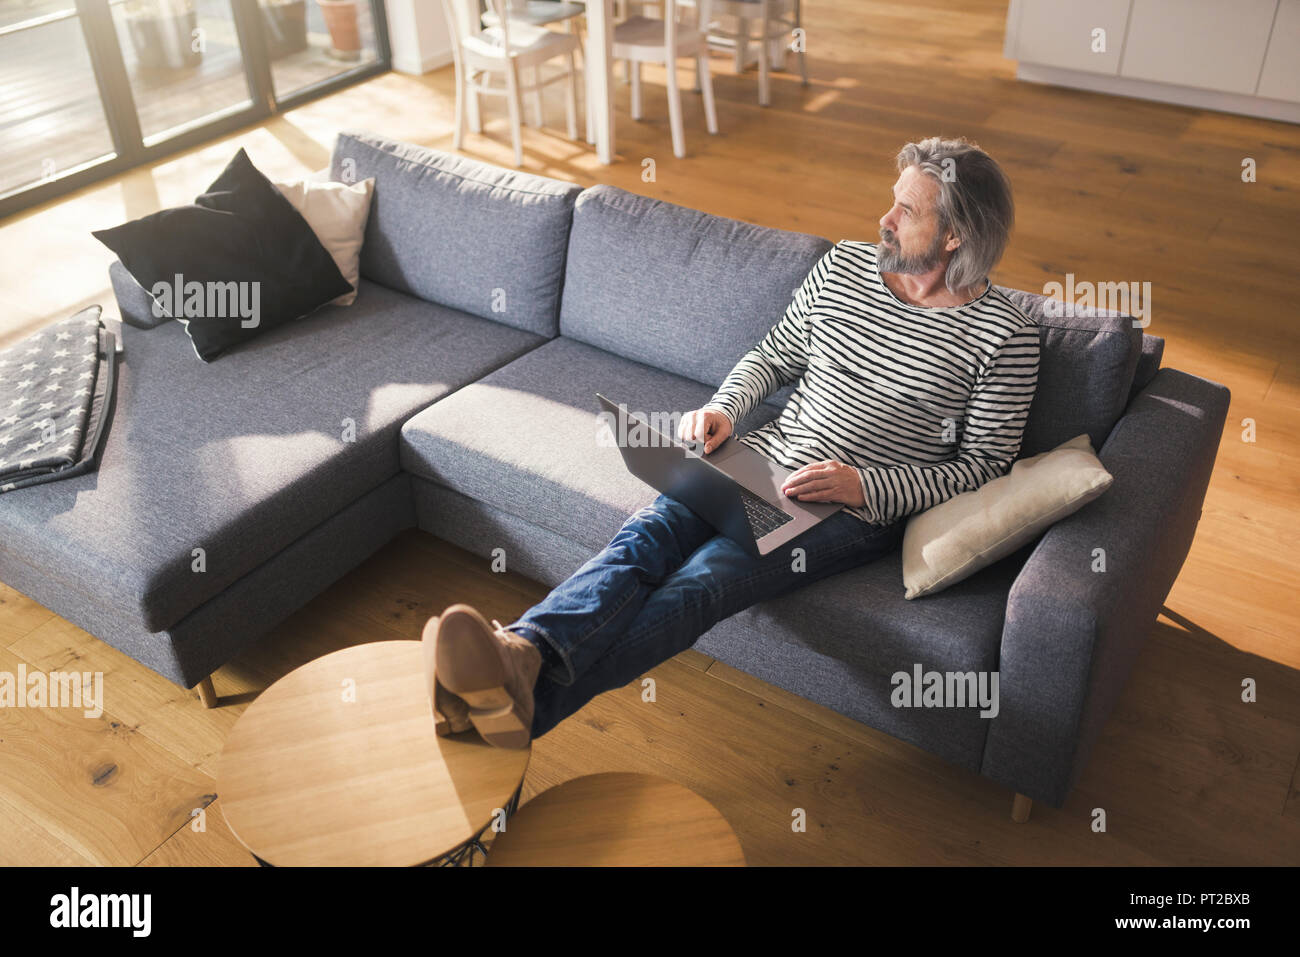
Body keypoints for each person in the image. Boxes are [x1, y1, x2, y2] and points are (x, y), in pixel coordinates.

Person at [423, 136, 1041, 749]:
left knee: (701, 583)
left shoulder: (1004, 336)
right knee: (644, 539)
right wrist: (725, 406)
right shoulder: (846, 268)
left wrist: (865, 485)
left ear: (954, 235)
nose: (884, 219)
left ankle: (508, 704)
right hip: (759, 459)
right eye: (892, 200)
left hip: (850, 510)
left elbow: (985, 466)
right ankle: (521, 651)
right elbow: (774, 355)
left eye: (906, 211)